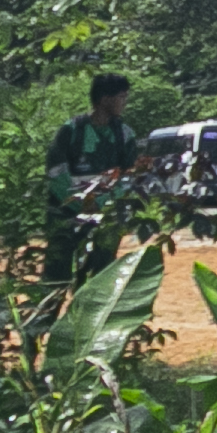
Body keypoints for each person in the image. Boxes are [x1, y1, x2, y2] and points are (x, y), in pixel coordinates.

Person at [44, 73, 143, 283]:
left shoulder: (125, 135)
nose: (125, 103)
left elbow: (129, 176)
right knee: (56, 276)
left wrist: (103, 205)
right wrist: (80, 204)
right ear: (105, 99)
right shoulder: (71, 131)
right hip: (65, 215)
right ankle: (47, 315)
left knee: (99, 277)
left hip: (106, 218)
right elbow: (56, 173)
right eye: (122, 97)